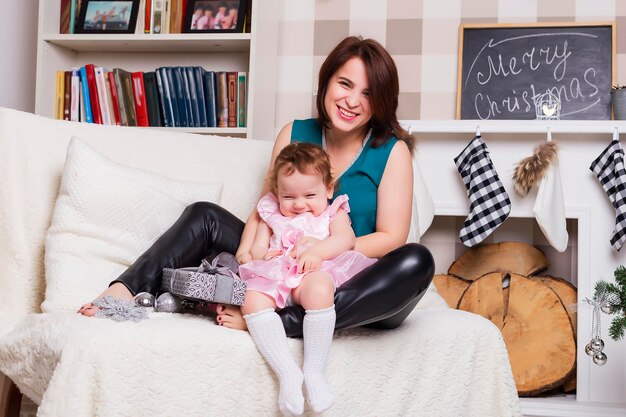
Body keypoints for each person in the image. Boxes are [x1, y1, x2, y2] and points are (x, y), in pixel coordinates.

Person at [79, 36, 434, 343]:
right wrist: (253, 252)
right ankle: (124, 290)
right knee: (204, 214)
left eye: (368, 93)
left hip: (351, 282)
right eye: (345, 84)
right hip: (278, 263)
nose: (352, 101)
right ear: (326, 83)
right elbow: (267, 206)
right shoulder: (293, 132)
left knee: (417, 260)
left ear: (381, 102)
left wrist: (323, 251)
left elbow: (391, 237)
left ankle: (278, 322)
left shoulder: (392, 151)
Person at [241, 142, 375, 414]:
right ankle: (288, 373)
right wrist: (263, 255)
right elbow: (257, 246)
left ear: (327, 189)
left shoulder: (332, 211)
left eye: (309, 195)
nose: (299, 204)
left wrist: (317, 251)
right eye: (289, 197)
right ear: (278, 193)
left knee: (319, 290)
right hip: (277, 272)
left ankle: (313, 371)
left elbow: (345, 239)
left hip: (311, 271)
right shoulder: (271, 213)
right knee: (251, 299)